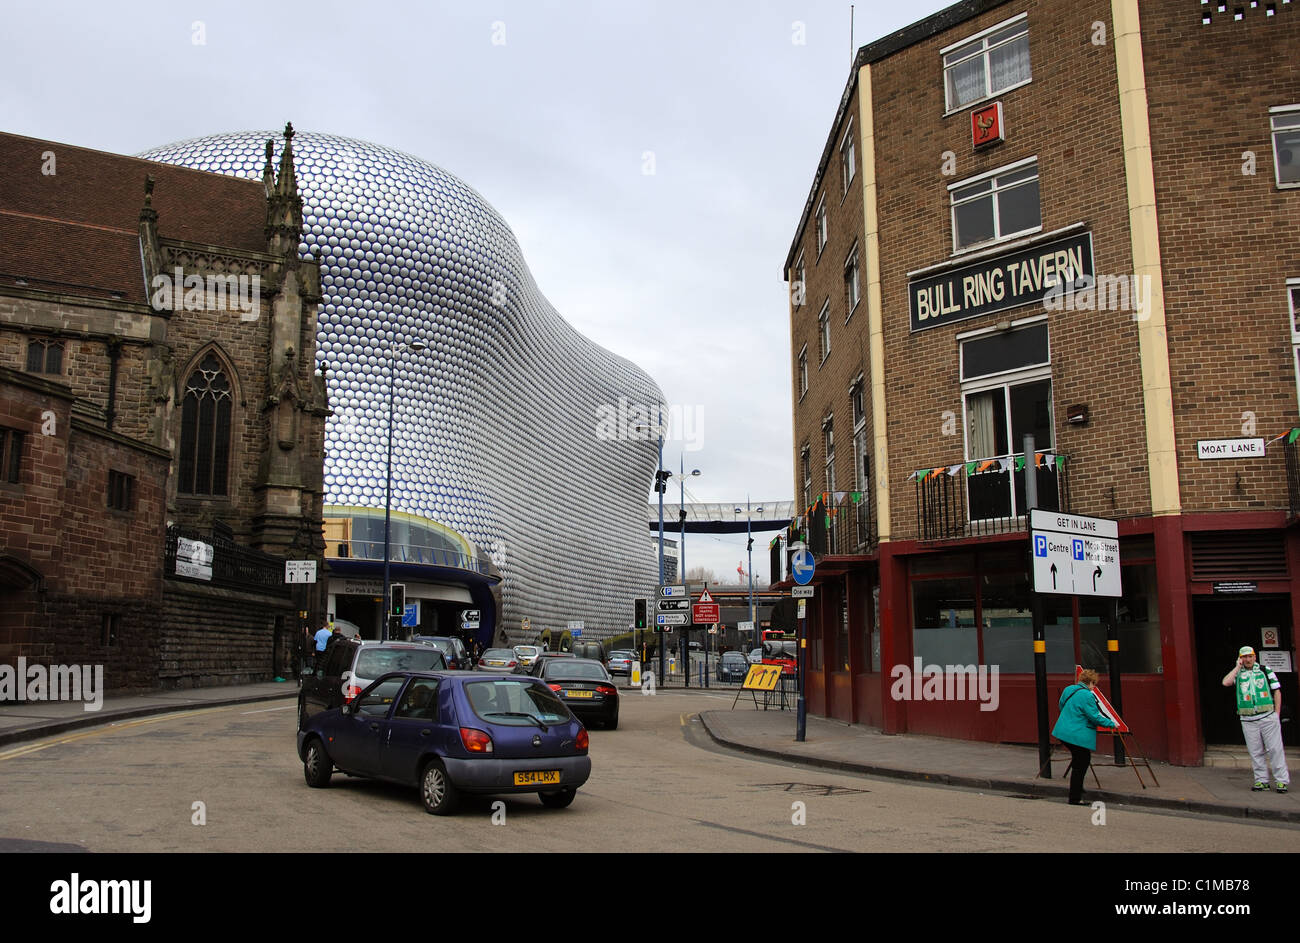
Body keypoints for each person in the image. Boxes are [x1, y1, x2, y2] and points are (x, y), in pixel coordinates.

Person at [1222, 646, 1289, 793]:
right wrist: (1236, 667)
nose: (1247, 659)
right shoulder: (1239, 674)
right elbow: (1226, 682)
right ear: (1240, 658)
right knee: (1255, 752)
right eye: (1244, 657)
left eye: (1250, 656)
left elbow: (1276, 691)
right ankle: (1261, 781)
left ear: (1254, 657)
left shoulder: (1266, 670)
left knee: (1275, 750)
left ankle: (1281, 781)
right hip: (1248, 719)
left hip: (1267, 716)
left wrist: (1276, 715)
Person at [1052, 669, 1119, 805]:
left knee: (1079, 760)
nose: (1094, 687)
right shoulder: (1087, 695)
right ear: (1090, 682)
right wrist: (1111, 724)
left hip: (1062, 731)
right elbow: (1093, 716)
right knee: (1081, 763)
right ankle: (1075, 797)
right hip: (1076, 734)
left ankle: (1078, 790)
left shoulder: (1069, 689)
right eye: (1094, 684)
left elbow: (1061, 705)